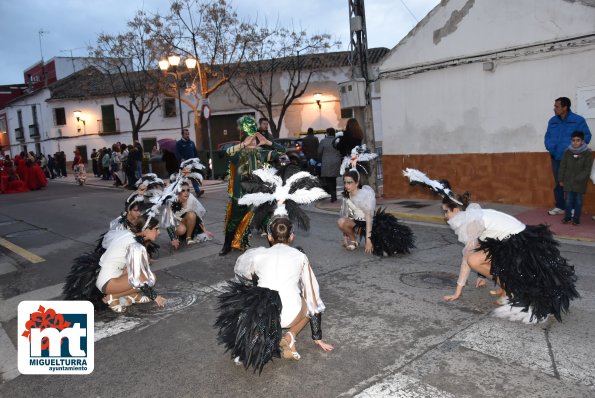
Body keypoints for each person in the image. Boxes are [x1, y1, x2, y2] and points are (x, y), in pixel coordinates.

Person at [441, 190, 579, 322]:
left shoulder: (471, 222)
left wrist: (458, 291)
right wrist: (481, 276)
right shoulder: (473, 214)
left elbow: (468, 258)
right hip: (516, 239)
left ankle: (510, 289)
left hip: (518, 245)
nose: (445, 215)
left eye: (446, 211)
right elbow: (483, 244)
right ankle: (505, 286)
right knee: (476, 257)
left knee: (473, 259)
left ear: (456, 210)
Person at [219, 116, 285, 256]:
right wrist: (243, 144)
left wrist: (267, 142)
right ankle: (226, 246)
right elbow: (226, 152)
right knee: (233, 223)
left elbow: (281, 151)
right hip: (241, 196)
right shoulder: (238, 154)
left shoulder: (260, 154)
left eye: (255, 138)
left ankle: (275, 248)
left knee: (267, 222)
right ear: (245, 139)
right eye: (251, 138)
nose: (253, 141)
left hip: (258, 196)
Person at [337, 169, 415, 256]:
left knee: (385, 249)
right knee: (341, 221)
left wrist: (369, 240)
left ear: (357, 183)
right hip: (358, 223)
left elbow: (369, 219)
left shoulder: (364, 196)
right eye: (345, 182)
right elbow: (347, 215)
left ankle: (374, 240)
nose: (346, 185)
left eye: (350, 182)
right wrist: (345, 236)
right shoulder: (346, 196)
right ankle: (354, 241)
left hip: (371, 225)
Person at [544, 97, 592, 215]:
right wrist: (551, 148)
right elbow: (547, 137)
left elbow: (587, 136)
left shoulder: (578, 120)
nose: (554, 109)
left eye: (557, 106)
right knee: (558, 182)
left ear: (565, 108)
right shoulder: (553, 121)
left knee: (573, 183)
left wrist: (576, 150)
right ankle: (560, 206)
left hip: (573, 159)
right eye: (555, 106)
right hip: (556, 157)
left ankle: (574, 208)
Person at [162, 181, 213, 250]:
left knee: (192, 214)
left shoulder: (191, 198)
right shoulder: (171, 201)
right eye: (183, 190)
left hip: (188, 224)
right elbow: (167, 222)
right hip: (177, 224)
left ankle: (188, 238)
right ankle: (177, 236)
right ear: (178, 192)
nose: (186, 193)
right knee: (181, 230)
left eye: (188, 190)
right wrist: (172, 238)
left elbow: (198, 215)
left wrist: (205, 230)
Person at [558, 131, 593, 225]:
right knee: (568, 201)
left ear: (582, 141)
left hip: (580, 182)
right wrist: (561, 179)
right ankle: (567, 217)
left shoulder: (587, 153)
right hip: (568, 181)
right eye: (573, 140)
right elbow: (562, 166)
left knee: (578, 201)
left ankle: (576, 219)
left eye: (578, 140)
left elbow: (587, 169)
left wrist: (578, 178)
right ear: (571, 141)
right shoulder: (567, 152)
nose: (575, 142)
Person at [175, 129, 203, 197]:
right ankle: (178, 191)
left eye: (188, 134)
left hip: (192, 164)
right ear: (182, 135)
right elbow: (177, 153)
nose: (187, 135)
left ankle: (197, 191)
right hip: (185, 165)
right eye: (186, 134)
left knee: (194, 177)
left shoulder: (191, 143)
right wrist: (181, 159)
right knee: (183, 179)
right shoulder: (179, 143)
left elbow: (195, 152)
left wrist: (197, 160)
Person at [318, 128, 342, 202]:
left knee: (328, 179)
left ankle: (333, 195)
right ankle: (334, 194)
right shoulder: (337, 141)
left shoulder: (323, 141)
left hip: (326, 162)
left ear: (327, 133)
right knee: (333, 178)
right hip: (336, 162)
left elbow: (319, 152)